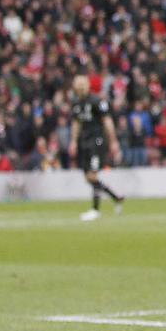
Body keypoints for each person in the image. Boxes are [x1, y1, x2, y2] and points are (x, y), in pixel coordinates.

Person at [68, 75, 124, 221]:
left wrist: (113, 142)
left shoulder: (97, 101)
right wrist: (73, 141)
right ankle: (116, 197)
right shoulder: (76, 103)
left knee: (93, 175)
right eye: (77, 85)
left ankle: (95, 209)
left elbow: (107, 122)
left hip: (97, 140)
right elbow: (76, 123)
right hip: (84, 141)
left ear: (87, 86)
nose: (79, 88)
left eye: (82, 85)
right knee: (88, 177)